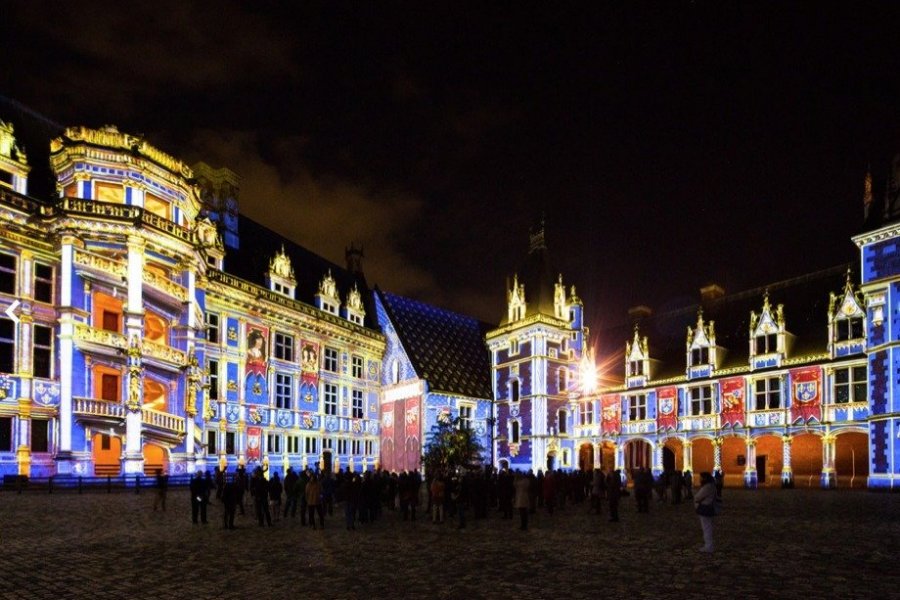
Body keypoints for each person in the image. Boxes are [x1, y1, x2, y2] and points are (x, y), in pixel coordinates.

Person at [694, 472, 717, 553]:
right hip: (709, 508)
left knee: (706, 528)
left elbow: (697, 497)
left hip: (705, 508)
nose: (699, 479)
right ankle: (709, 545)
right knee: (708, 527)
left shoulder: (707, 487)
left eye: (701, 477)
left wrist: (696, 498)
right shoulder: (712, 486)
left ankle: (708, 546)